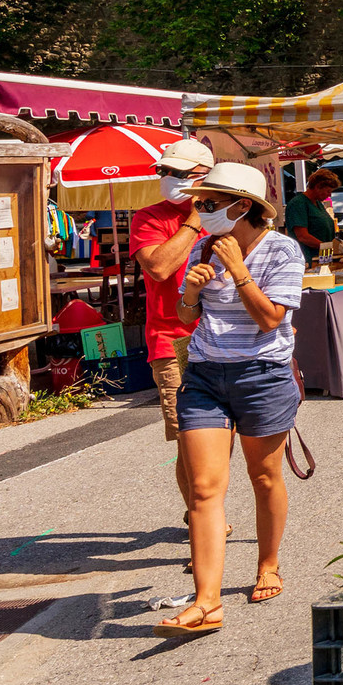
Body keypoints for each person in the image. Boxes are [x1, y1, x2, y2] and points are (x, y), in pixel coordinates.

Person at [157, 163, 306, 636]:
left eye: (209, 204)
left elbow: (269, 321)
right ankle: (206, 603)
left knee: (264, 476)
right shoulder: (202, 247)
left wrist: (240, 273)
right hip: (204, 375)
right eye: (199, 203)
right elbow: (185, 318)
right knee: (203, 488)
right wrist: (192, 292)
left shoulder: (284, 251)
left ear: (243, 206)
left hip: (262, 375)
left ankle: (268, 563)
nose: (200, 212)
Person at [130, 135, 218, 517]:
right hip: (173, 341)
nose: (168, 177)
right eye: (164, 170)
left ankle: (203, 508)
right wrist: (195, 221)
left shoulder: (229, 214)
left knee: (221, 440)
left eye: (178, 172)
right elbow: (160, 266)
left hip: (223, 336)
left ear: (205, 176)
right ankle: (203, 521)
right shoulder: (149, 217)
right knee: (190, 439)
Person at [285, 168, 340, 260]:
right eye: (328, 191)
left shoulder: (317, 203)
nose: (329, 195)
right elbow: (303, 236)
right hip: (308, 259)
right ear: (318, 187)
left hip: (322, 257)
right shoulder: (298, 204)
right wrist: (327, 247)